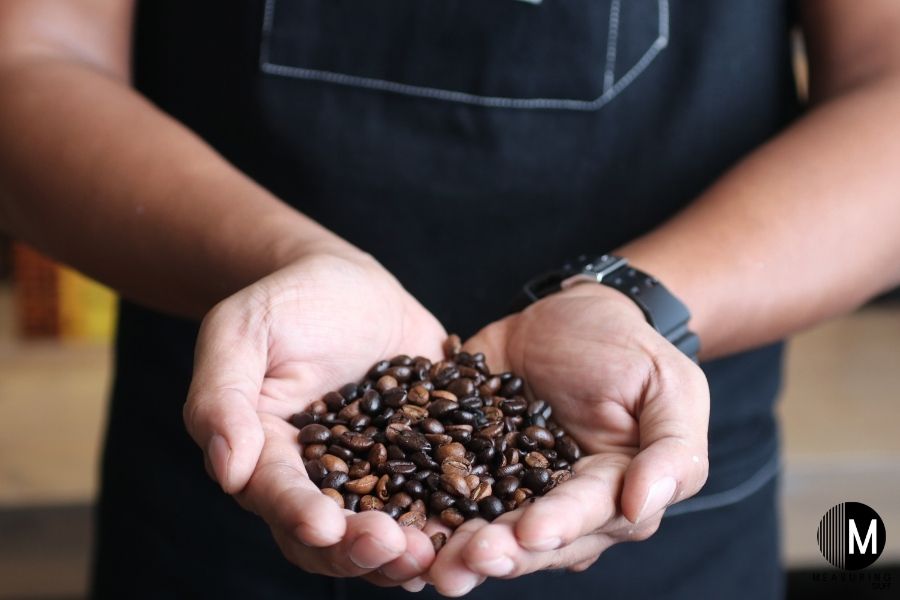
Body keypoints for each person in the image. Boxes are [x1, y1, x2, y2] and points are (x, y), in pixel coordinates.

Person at [1, 1, 899, 598]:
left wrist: (631, 300)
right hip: (240, 461)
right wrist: (282, 259)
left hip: (650, 477)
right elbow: (28, 61)